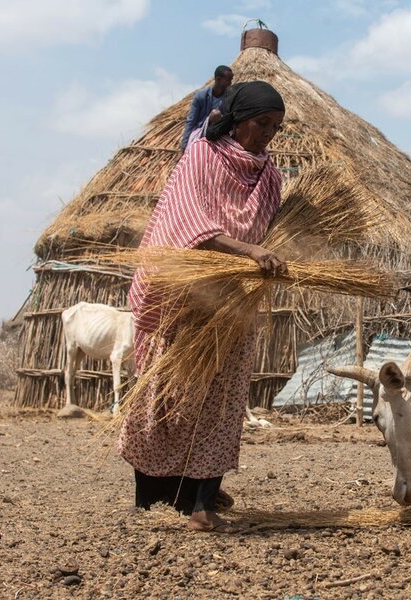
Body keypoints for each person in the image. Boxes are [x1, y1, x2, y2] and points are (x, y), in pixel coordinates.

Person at [120, 81, 287, 534]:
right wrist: (250, 253)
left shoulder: (269, 176)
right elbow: (191, 223)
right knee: (166, 395)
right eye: (260, 124)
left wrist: (268, 257)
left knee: (223, 400)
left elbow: (266, 233)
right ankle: (157, 493)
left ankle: (202, 501)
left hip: (230, 303)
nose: (267, 134)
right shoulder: (200, 156)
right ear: (238, 119)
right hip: (179, 296)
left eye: (275, 127)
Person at [180, 65, 234, 152]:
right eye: (228, 80)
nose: (230, 83)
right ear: (218, 79)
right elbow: (191, 121)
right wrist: (184, 145)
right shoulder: (201, 96)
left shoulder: (229, 97)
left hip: (220, 132)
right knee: (216, 114)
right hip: (201, 131)